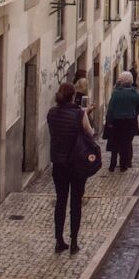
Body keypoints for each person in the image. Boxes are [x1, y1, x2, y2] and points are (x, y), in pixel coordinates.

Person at [47, 82, 94, 254]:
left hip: (59, 164)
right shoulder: (79, 114)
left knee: (60, 201)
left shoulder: (51, 114)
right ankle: (74, 242)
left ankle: (59, 241)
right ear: (73, 96)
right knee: (76, 203)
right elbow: (90, 133)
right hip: (77, 164)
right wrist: (86, 114)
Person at [105, 71, 139, 172]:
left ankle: (112, 165)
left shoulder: (116, 94)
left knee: (115, 144)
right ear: (131, 81)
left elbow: (110, 109)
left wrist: (109, 122)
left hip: (116, 122)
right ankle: (123, 166)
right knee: (126, 144)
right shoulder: (134, 94)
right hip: (129, 122)